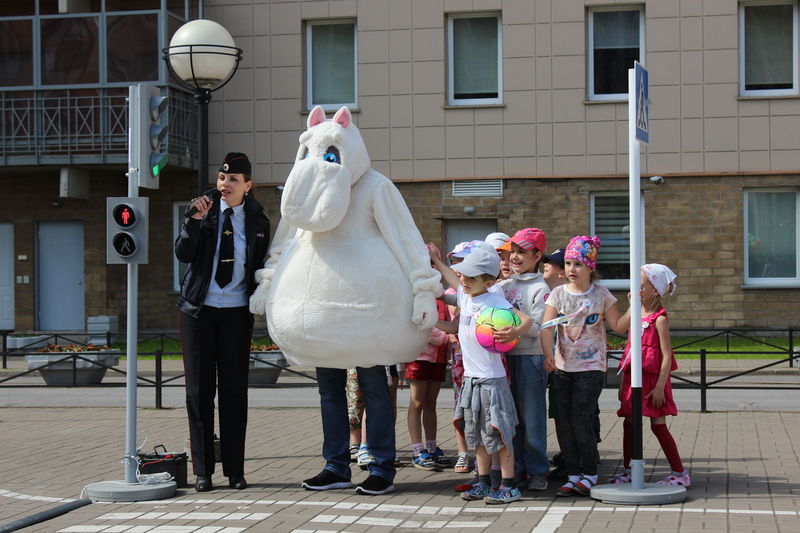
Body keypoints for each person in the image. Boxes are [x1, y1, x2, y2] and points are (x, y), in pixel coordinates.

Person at [175, 152, 270, 492]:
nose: (224, 184)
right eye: (221, 178)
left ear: (247, 185)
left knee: (234, 392)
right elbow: (183, 253)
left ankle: (235, 471)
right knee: (199, 392)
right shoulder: (202, 211)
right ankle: (203, 471)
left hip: (235, 313)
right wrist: (194, 222)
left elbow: (259, 264)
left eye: (233, 179)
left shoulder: (258, 220)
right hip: (198, 312)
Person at [432, 248, 532, 504]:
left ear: (488, 282)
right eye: (463, 275)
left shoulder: (494, 300)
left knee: (500, 434)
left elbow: (526, 319)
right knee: (476, 434)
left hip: (492, 381)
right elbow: (451, 279)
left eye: (471, 277)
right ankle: (484, 482)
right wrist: (437, 261)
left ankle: (509, 486)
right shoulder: (466, 297)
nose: (464, 281)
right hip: (471, 379)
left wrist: (514, 332)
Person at [539, 235, 629, 497]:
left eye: (578, 264)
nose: (571, 269)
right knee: (564, 422)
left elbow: (618, 326)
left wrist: (636, 306)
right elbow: (546, 328)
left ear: (590, 267)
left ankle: (589, 474)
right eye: (568, 263)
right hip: (562, 368)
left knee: (582, 419)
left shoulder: (601, 294)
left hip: (591, 368)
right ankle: (572, 475)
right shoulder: (557, 294)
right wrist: (548, 355)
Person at [609, 264, 691, 487]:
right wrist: (623, 383)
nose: (636, 289)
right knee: (629, 423)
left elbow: (667, 355)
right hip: (633, 377)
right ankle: (629, 469)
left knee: (658, 425)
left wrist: (660, 387)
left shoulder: (659, 319)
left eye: (641, 285)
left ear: (655, 290)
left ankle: (680, 472)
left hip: (654, 380)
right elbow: (621, 331)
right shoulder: (635, 313)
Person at [496, 228, 551, 491]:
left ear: (537, 256)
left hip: (531, 358)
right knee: (511, 418)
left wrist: (515, 326)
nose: (514, 257)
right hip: (505, 359)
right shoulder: (504, 286)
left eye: (522, 252)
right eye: (513, 252)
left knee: (532, 418)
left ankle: (538, 471)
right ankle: (515, 468)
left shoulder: (541, 289)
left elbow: (539, 327)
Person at [406, 244, 451, 471]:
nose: (430, 267)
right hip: (420, 355)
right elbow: (420, 323)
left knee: (431, 402)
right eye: (425, 263)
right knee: (417, 401)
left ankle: (432, 446)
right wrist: (446, 337)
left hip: (439, 356)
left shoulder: (442, 293)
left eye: (433, 262)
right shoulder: (413, 291)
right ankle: (417, 448)